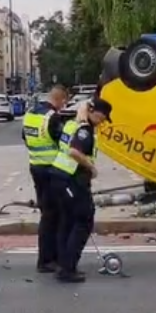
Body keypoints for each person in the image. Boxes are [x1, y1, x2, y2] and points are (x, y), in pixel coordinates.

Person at [51, 98, 112, 283]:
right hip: (72, 180)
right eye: (103, 116)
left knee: (67, 223)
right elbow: (74, 152)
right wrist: (91, 168)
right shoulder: (84, 130)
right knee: (83, 221)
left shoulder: (74, 123)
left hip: (60, 179)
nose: (103, 121)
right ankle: (68, 269)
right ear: (95, 112)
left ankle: (64, 265)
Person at [22, 85, 69, 273]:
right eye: (64, 102)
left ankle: (48, 258)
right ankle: (48, 260)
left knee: (47, 214)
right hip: (51, 170)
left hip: (36, 167)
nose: (63, 107)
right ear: (58, 99)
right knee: (53, 216)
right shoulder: (52, 117)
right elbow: (63, 142)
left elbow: (25, 138)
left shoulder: (30, 114)